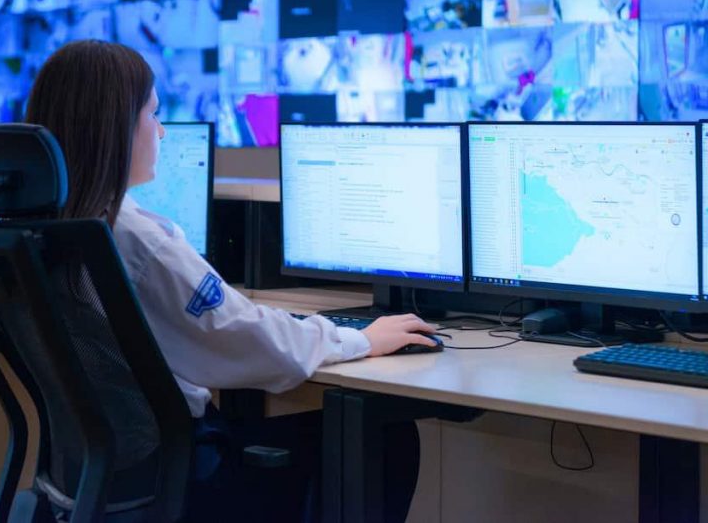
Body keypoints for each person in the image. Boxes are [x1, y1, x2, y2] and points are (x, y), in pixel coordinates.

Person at [25, 39, 438, 522]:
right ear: (115, 128)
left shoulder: (42, 230)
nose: (160, 131)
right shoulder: (132, 236)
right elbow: (243, 335)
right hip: (187, 479)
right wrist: (359, 338)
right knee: (389, 437)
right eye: (152, 115)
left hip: (98, 480)